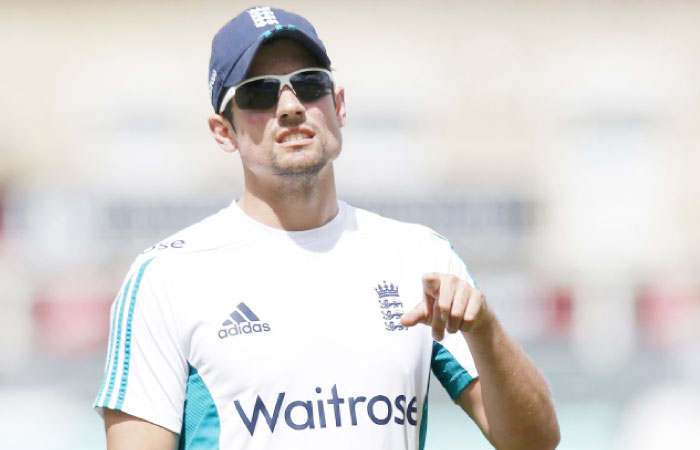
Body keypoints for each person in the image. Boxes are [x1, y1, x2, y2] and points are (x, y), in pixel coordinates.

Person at [94, 6, 560, 450]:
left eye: (309, 84)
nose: (291, 106)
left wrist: (485, 333)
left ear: (337, 105)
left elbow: (535, 441)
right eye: (259, 92)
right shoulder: (167, 275)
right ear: (224, 131)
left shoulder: (419, 256)